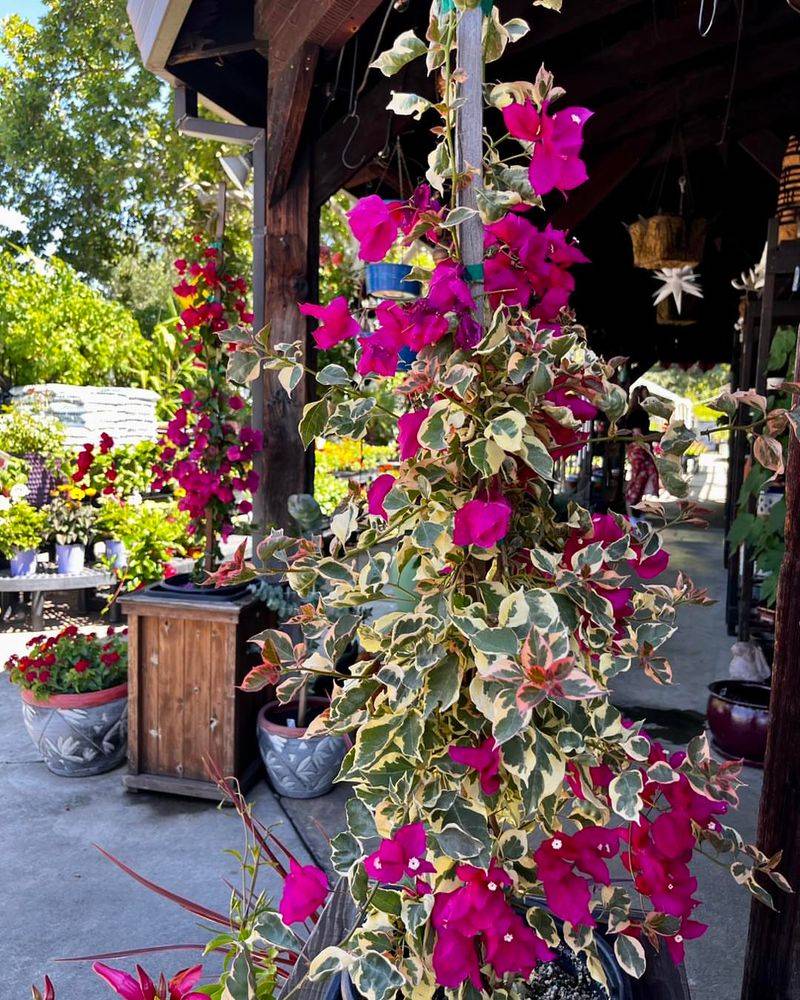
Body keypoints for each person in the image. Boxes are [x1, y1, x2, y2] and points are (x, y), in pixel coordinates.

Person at [621, 386, 659, 517]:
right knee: (640, 478)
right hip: (639, 449)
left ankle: (633, 510)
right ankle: (631, 512)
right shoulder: (639, 413)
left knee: (641, 478)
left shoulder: (635, 412)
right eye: (645, 396)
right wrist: (656, 436)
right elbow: (638, 435)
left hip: (638, 449)